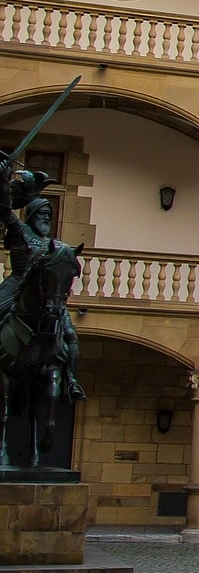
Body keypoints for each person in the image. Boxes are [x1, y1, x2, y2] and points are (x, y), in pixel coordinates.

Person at [0, 168, 84, 402]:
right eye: (42, 213)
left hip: (44, 294)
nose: (47, 217)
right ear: (32, 215)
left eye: (50, 213)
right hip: (16, 285)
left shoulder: (55, 245)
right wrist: (4, 183)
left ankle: (72, 381)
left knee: (69, 333)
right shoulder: (21, 232)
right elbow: (6, 212)